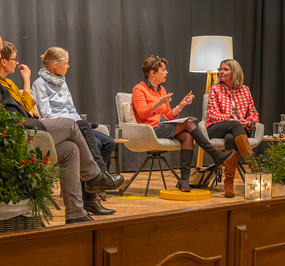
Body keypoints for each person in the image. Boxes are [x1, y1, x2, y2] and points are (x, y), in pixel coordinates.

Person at [0, 40, 118, 223]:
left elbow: (28, 107)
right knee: (73, 126)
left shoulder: (9, 84)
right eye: (15, 59)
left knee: (71, 149)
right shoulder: (10, 86)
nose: (17, 62)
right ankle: (94, 176)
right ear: (3, 61)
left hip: (31, 126)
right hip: (21, 133)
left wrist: (25, 80)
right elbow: (25, 114)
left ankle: (76, 213)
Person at [30, 46, 126, 213]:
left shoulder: (62, 81)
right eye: (66, 63)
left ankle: (92, 187)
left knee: (108, 142)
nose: (68, 67)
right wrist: (75, 125)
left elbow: (71, 109)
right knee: (92, 140)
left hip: (74, 126)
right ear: (54, 65)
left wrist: (80, 123)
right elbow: (46, 114)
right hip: (58, 129)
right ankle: (99, 179)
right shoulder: (39, 84)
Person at [131, 55, 234, 192]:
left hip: (162, 126)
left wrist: (181, 105)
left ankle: (184, 180)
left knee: (187, 136)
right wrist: (159, 103)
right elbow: (143, 114)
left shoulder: (161, 90)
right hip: (149, 130)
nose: (166, 72)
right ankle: (214, 154)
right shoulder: (139, 89)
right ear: (153, 73)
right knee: (188, 122)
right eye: (163, 70)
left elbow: (168, 115)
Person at [205, 59, 259, 198]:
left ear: (234, 72)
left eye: (225, 69)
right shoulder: (215, 89)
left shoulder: (245, 90)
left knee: (231, 138)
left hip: (237, 130)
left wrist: (248, 121)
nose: (221, 72)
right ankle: (256, 169)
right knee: (234, 125)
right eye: (220, 69)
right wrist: (234, 120)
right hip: (216, 127)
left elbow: (253, 112)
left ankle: (229, 183)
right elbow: (212, 113)